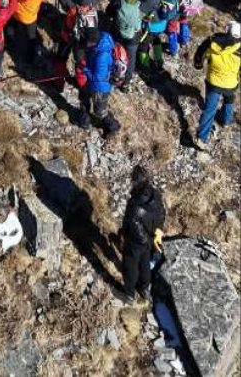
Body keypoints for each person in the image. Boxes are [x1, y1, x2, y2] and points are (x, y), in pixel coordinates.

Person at [120, 165, 165, 302]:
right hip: (151, 237)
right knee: (145, 262)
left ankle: (129, 294)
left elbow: (132, 222)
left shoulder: (134, 204)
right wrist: (156, 232)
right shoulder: (156, 195)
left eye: (133, 180)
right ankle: (144, 288)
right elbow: (162, 213)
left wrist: (141, 238)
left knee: (130, 265)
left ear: (137, 182)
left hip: (136, 241)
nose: (131, 182)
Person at [193, 21, 241, 150]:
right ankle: (225, 121)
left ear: (228, 31)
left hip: (213, 82)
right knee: (229, 100)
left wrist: (198, 65)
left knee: (210, 109)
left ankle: (201, 138)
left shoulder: (213, 41)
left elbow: (201, 53)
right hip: (231, 83)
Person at [76, 26, 120, 135]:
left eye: (86, 42)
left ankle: (114, 127)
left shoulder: (102, 57)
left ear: (92, 43)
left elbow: (98, 78)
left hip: (100, 86)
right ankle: (85, 121)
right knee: (83, 98)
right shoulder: (100, 38)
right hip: (92, 77)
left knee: (100, 111)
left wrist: (84, 69)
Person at [11, 0, 48, 65]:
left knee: (16, 30)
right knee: (31, 37)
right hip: (30, 19)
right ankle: (31, 57)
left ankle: (12, 42)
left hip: (17, 14)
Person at [115, 0, 144, 92]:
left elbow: (110, 13)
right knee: (131, 61)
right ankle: (125, 84)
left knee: (117, 55)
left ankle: (115, 76)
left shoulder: (119, 2)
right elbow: (137, 27)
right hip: (133, 38)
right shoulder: (139, 6)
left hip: (119, 33)